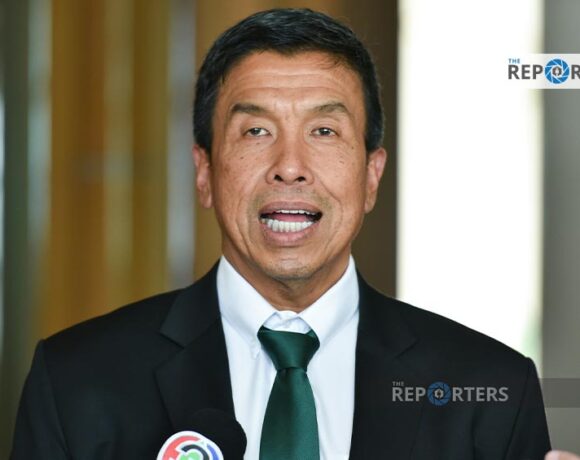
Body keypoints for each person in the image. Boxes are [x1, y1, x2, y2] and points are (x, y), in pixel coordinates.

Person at [11, 8, 554, 459]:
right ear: (204, 172)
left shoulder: (492, 391)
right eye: (256, 130)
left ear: (371, 176)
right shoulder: (77, 383)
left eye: (324, 130)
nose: (290, 166)